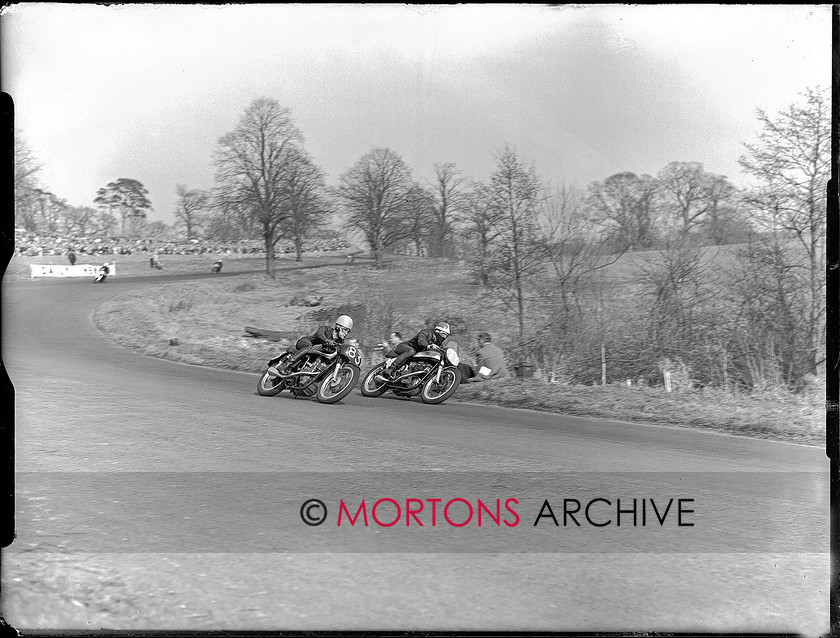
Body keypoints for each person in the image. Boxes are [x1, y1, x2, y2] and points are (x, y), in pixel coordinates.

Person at [274, 315, 354, 373]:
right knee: (310, 347)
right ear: (337, 328)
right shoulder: (325, 329)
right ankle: (287, 364)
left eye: (348, 331)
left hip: (316, 354)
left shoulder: (340, 342)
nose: (346, 333)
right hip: (306, 343)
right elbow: (320, 334)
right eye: (344, 330)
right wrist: (327, 340)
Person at [379, 322, 450, 380]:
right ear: (437, 331)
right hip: (405, 347)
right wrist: (429, 346)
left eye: (446, 335)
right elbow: (421, 341)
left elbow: (440, 352)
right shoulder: (426, 332)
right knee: (411, 351)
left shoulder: (439, 344)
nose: (444, 337)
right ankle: (391, 369)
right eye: (443, 334)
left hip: (416, 355)